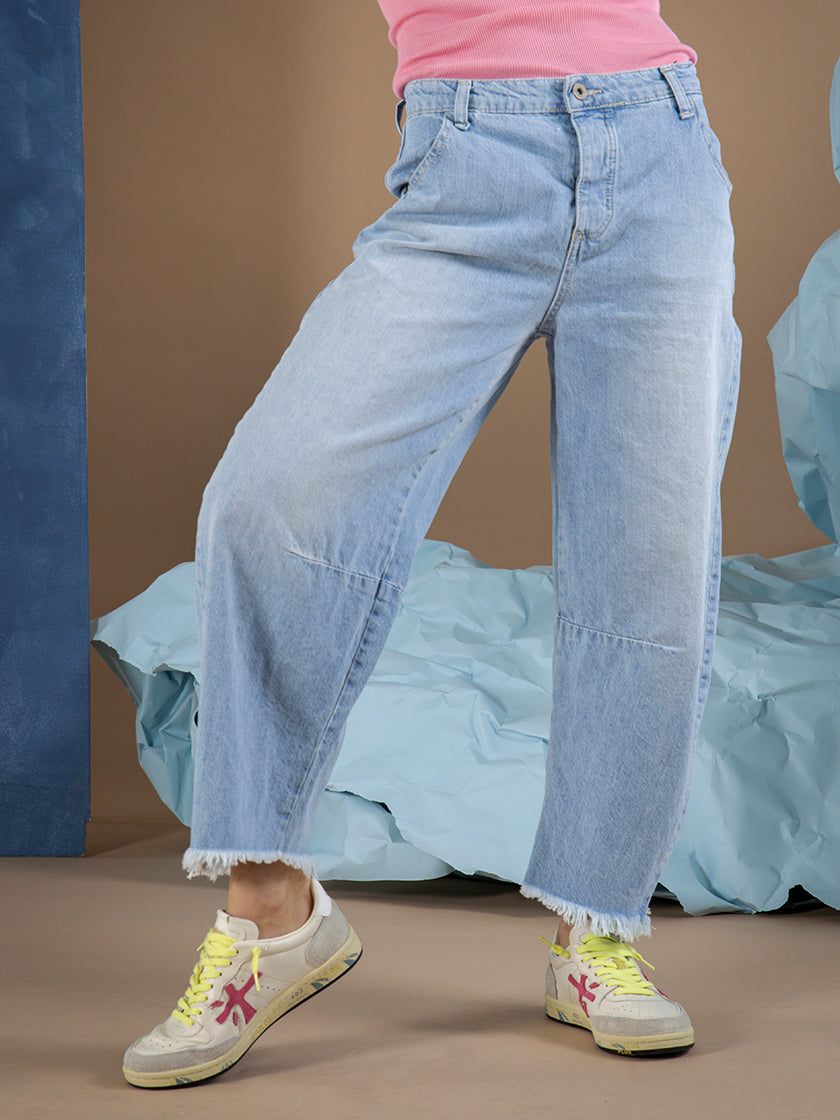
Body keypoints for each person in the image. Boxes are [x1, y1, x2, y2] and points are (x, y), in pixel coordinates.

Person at [122, 0, 740, 1088]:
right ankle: (271, 915)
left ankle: (596, 934)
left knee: (648, 571)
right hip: (467, 160)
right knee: (268, 502)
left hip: (660, 151)